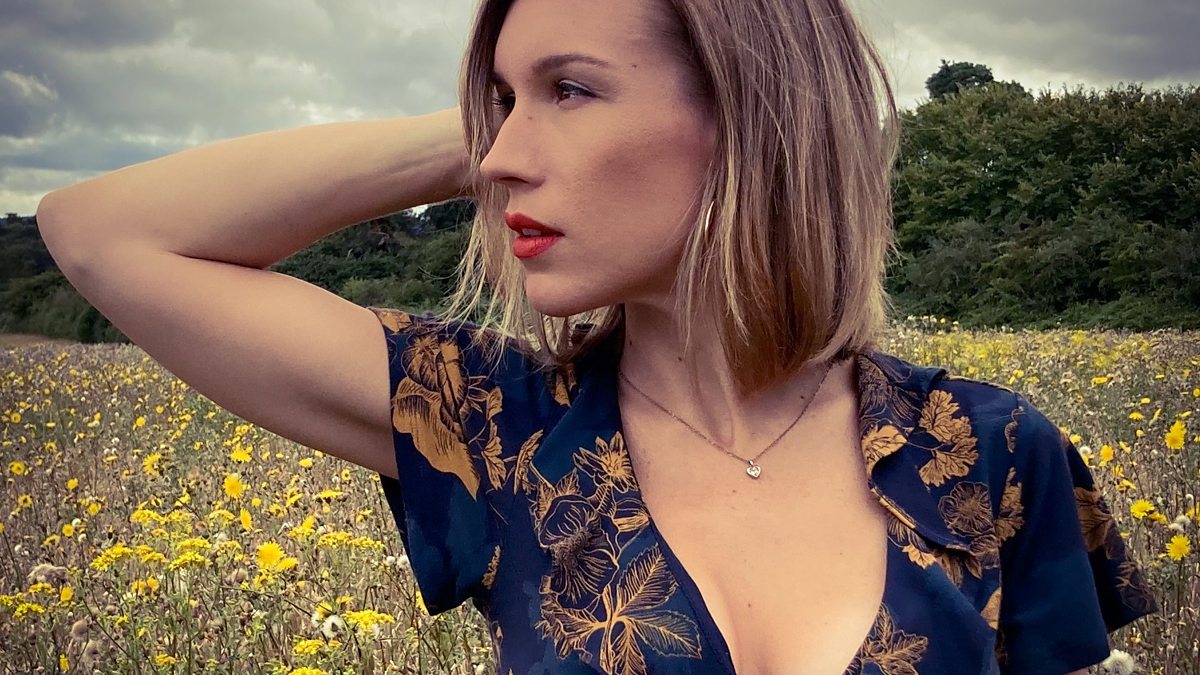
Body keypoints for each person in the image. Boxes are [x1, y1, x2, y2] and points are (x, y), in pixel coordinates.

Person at [36, 0, 1159, 673]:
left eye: (570, 91)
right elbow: (100, 233)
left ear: (748, 110)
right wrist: (482, 124)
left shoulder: (987, 452)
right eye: (500, 104)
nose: (500, 159)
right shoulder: (494, 423)